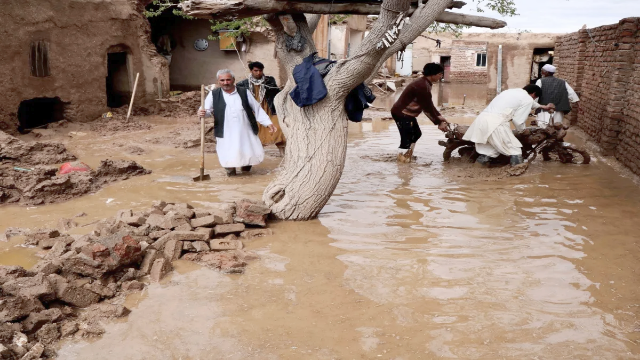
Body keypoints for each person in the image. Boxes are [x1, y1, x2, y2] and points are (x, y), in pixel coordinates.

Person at [197, 69, 277, 176]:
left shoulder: (244, 92)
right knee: (228, 154)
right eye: (222, 80)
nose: (226, 82)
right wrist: (202, 113)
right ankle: (231, 175)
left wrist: (267, 123)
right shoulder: (213, 95)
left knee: (248, 152)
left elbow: (257, 108)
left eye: (228, 80)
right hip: (225, 131)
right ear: (218, 81)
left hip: (245, 130)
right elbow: (206, 111)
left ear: (233, 80)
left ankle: (246, 175)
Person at [462, 85, 555, 166]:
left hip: (481, 121)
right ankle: (516, 176)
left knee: (490, 151)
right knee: (515, 150)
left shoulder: (510, 92)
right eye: (534, 97)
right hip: (496, 124)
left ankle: (477, 172)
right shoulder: (528, 99)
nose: (533, 100)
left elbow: (529, 103)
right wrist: (523, 131)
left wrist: (544, 107)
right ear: (534, 94)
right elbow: (518, 121)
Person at [390, 63, 449, 163]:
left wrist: (439, 116)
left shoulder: (425, 83)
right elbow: (427, 108)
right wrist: (438, 122)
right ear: (433, 74)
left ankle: (407, 156)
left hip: (407, 114)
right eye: (440, 74)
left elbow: (429, 104)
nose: (441, 76)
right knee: (407, 139)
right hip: (402, 113)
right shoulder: (422, 86)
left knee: (416, 134)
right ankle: (402, 164)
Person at [236, 61, 286, 156]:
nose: (258, 73)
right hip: (254, 110)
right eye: (256, 70)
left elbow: (276, 93)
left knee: (278, 128)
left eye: (260, 70)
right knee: (257, 131)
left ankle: (282, 153)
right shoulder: (243, 84)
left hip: (269, 108)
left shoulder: (269, 80)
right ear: (251, 71)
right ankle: (258, 155)